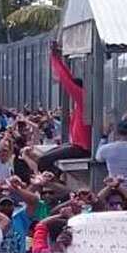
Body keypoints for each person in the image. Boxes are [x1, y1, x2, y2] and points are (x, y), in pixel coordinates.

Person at [40, 42, 91, 174]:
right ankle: (56, 176)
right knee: (44, 157)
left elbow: (66, 79)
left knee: (44, 160)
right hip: (77, 145)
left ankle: (55, 179)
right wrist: (57, 58)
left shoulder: (83, 98)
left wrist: (54, 58)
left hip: (82, 148)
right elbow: (68, 78)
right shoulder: (82, 101)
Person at [95, 119, 127, 196]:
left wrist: (105, 136)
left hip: (115, 192)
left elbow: (98, 158)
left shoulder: (107, 148)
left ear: (116, 132)